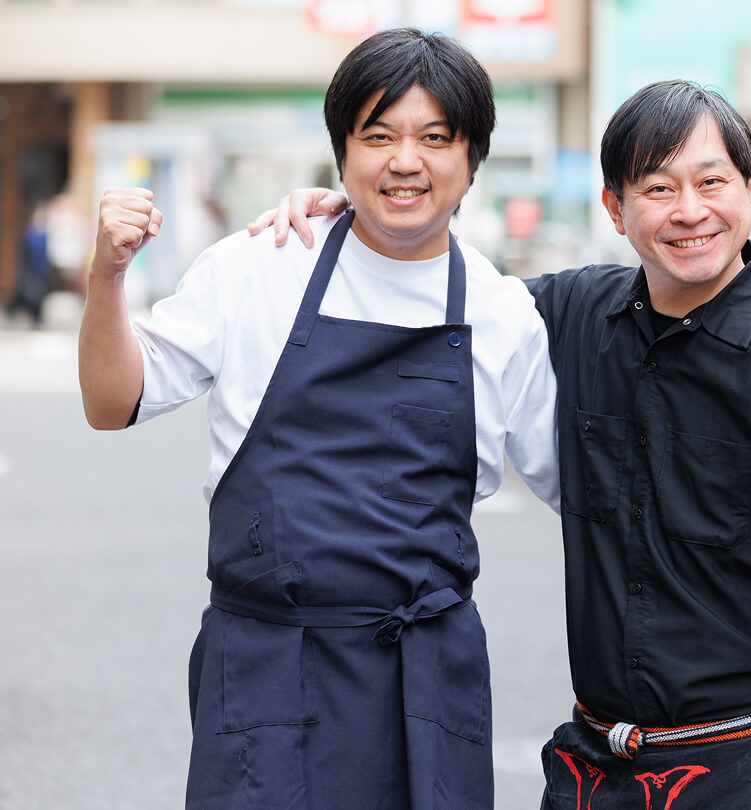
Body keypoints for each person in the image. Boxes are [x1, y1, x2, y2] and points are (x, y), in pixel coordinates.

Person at [261, 78, 751, 809]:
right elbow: (440, 290)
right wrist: (363, 214)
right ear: (616, 209)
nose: (689, 211)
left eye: (712, 182)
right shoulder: (576, 312)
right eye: (657, 187)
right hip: (600, 769)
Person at [78, 28, 562, 810]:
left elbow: (588, 494)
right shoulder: (259, 266)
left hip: (426, 678)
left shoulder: (502, 312)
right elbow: (111, 402)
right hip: (267, 667)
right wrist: (106, 273)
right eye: (379, 135)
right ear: (342, 153)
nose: (406, 161)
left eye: (435, 138)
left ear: (472, 161)